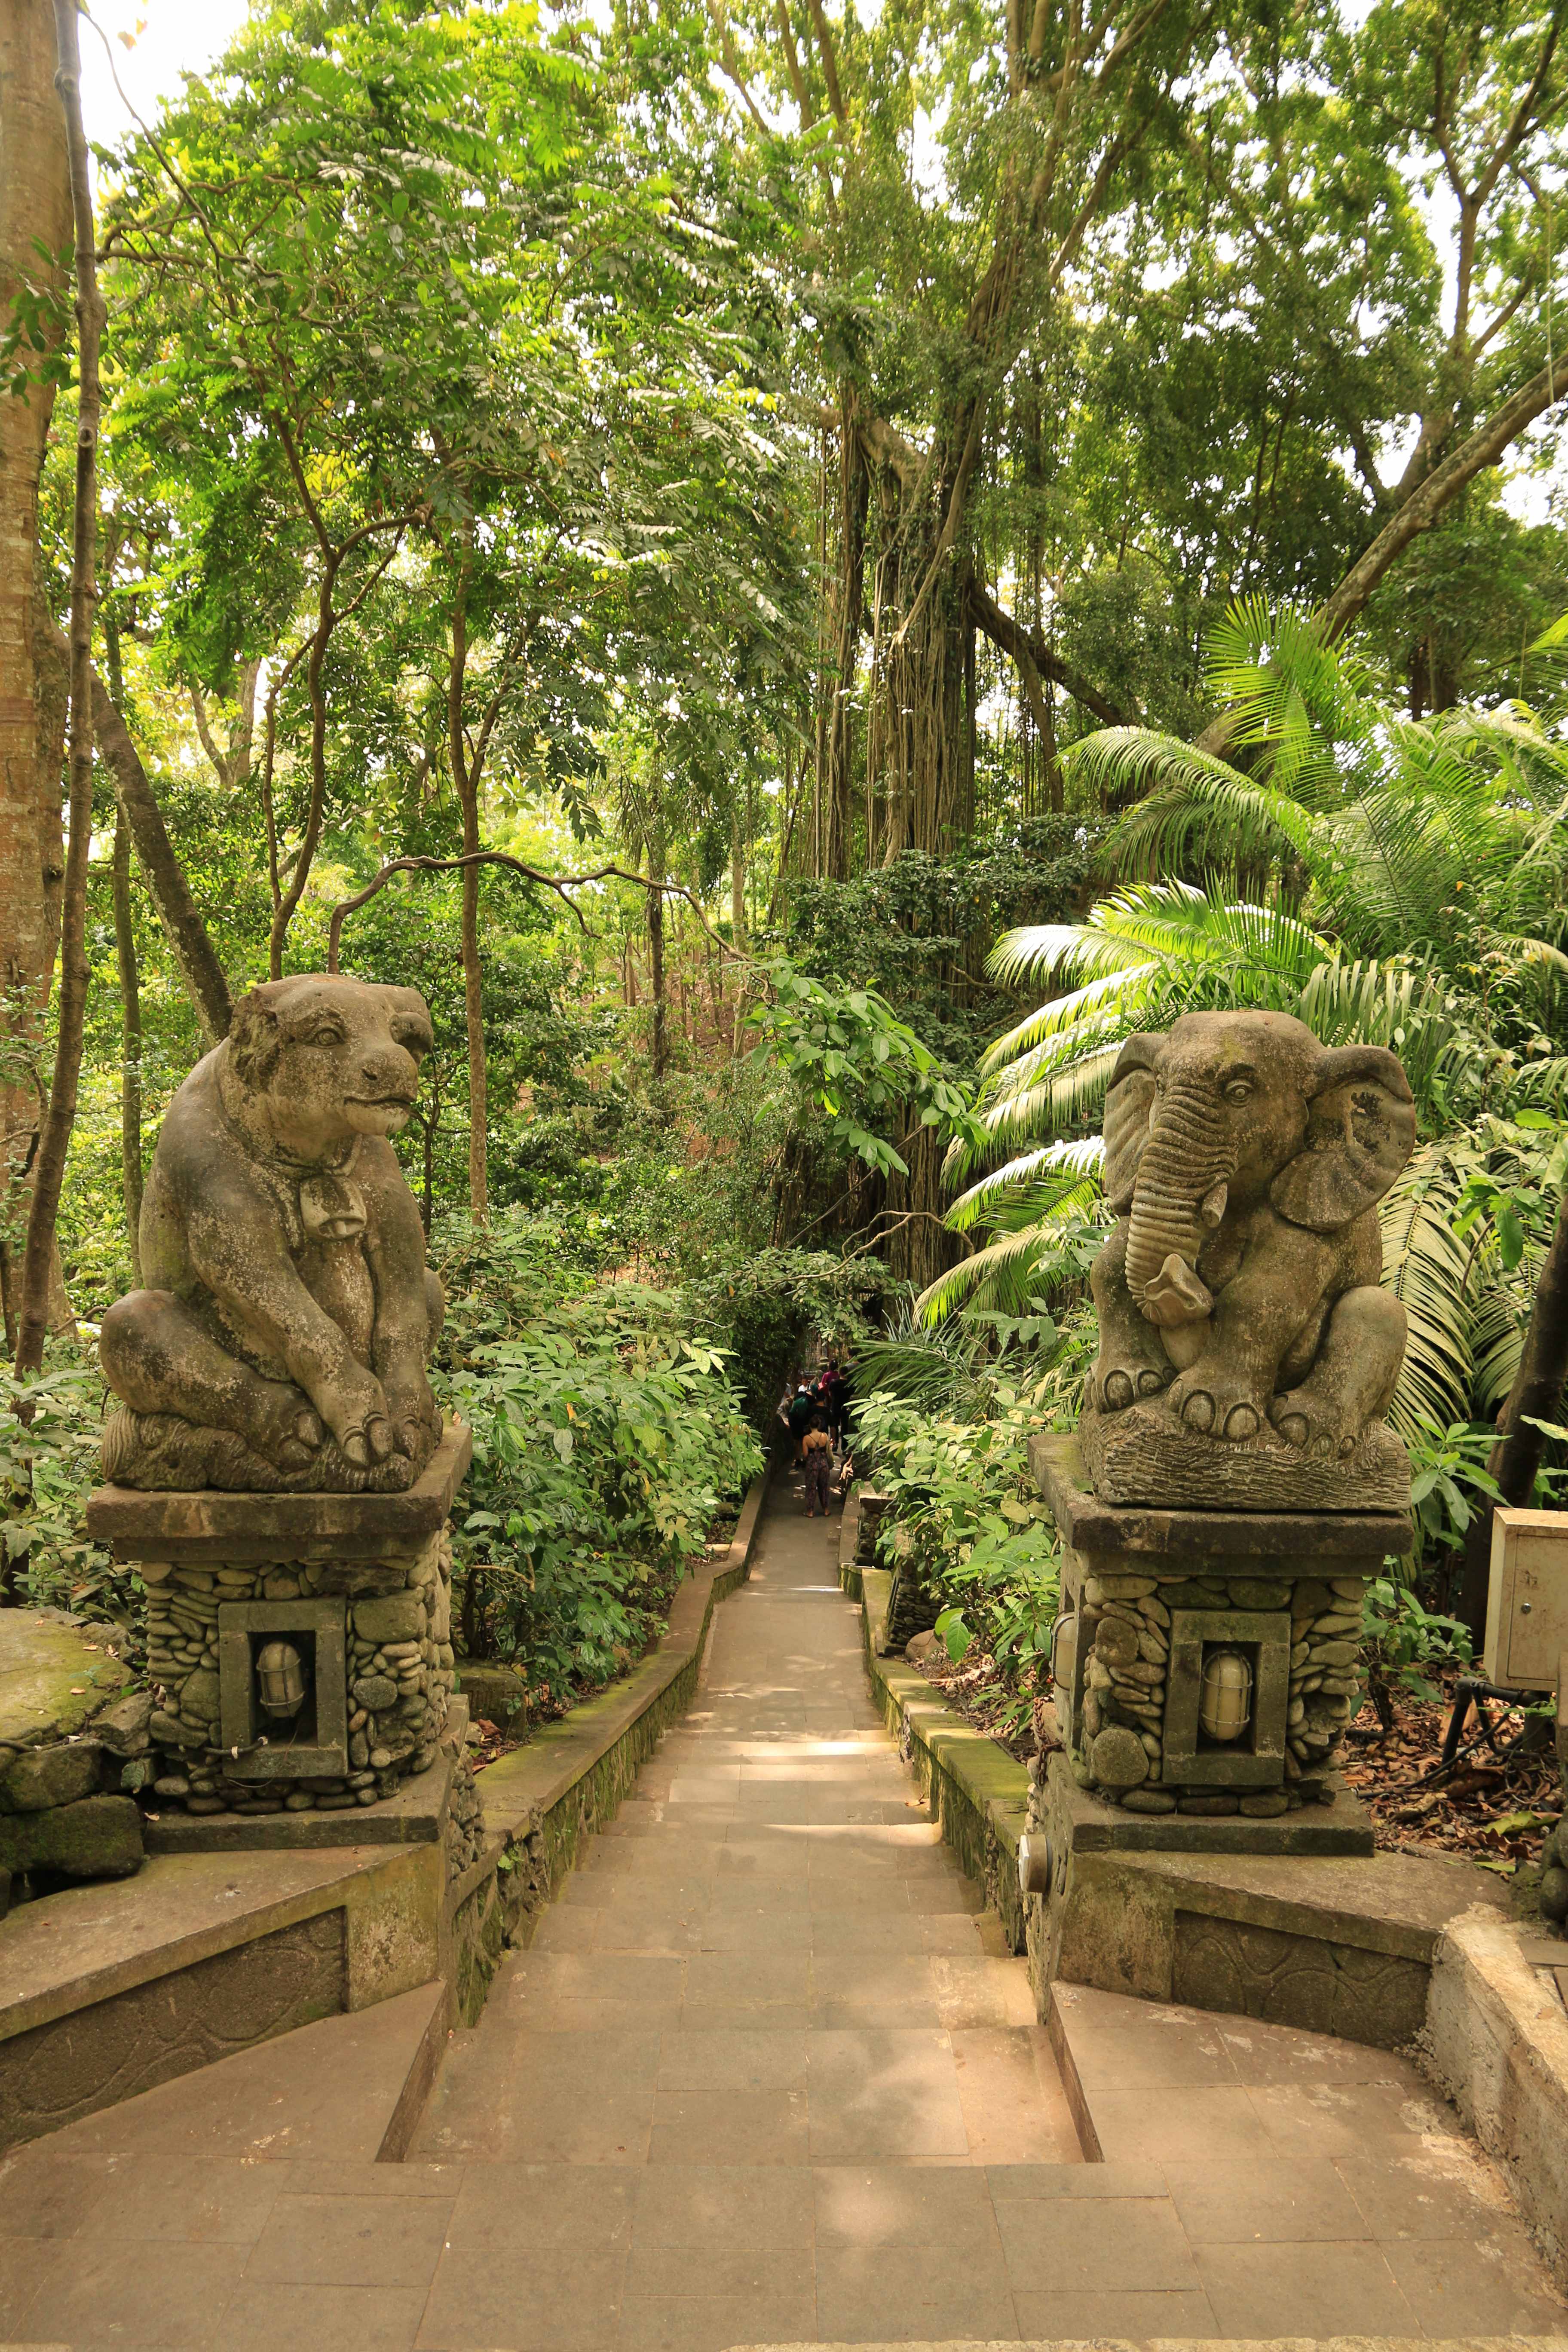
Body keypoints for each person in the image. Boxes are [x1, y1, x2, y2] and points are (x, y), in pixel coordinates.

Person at [801, 1412, 835, 1516]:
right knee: (824, 1487)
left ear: (810, 1425)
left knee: (811, 1488)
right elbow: (828, 1450)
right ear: (819, 1425)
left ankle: (810, 1511)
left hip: (812, 1466)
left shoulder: (806, 1438)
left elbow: (806, 1455)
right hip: (824, 1465)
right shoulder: (824, 1436)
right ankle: (826, 1510)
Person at [787, 1381, 816, 1463]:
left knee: (798, 1441)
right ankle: (805, 1459)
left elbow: (792, 1412)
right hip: (806, 1424)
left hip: (796, 1423)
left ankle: (798, 1459)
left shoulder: (799, 1397)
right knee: (805, 1441)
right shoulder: (813, 1401)